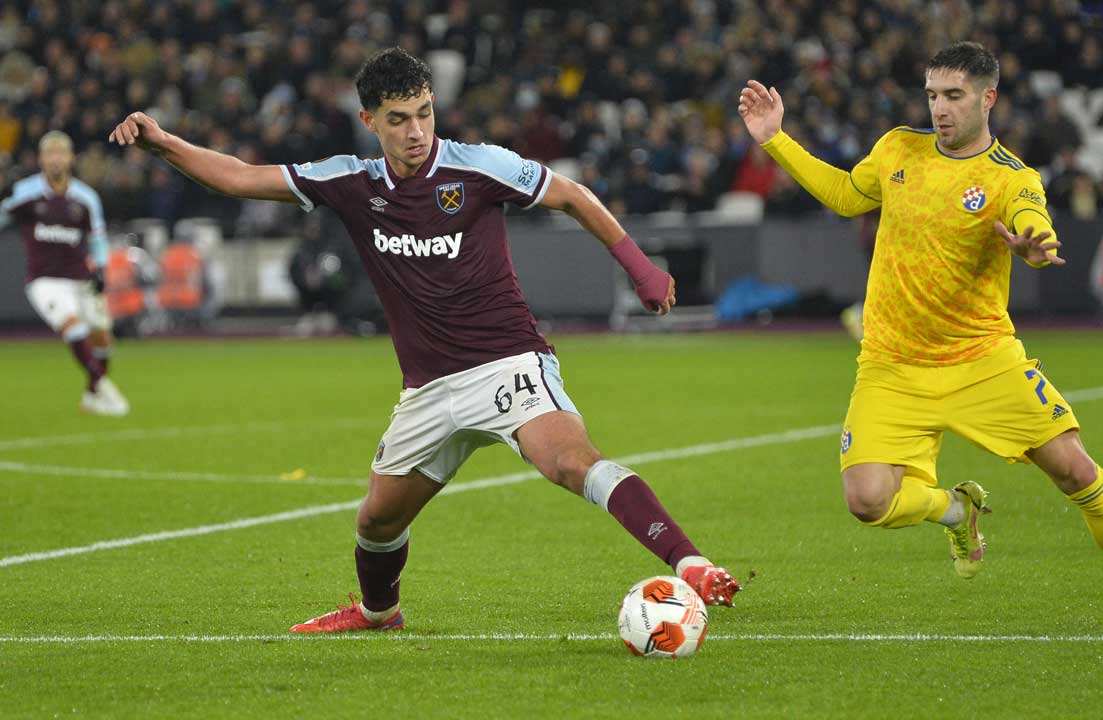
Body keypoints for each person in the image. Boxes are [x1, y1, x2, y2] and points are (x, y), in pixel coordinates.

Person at [109, 48, 740, 632]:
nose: (417, 131)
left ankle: (691, 565)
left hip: (506, 364)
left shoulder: (478, 165)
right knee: (376, 522)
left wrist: (640, 266)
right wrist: (163, 143)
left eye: (425, 113)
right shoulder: (350, 182)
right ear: (369, 121)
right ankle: (380, 615)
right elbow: (241, 177)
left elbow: (571, 196)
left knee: (570, 461)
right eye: (399, 119)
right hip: (428, 390)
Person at [737, 41, 1103, 630]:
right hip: (892, 363)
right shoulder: (899, 147)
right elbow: (848, 195)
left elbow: (1033, 220)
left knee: (1076, 470)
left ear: (988, 98)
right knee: (868, 501)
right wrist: (775, 138)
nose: (940, 109)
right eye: (932, 95)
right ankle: (957, 509)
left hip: (981, 360)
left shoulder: (1010, 176)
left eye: (953, 96)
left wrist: (1035, 244)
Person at [0, 131, 129, 416]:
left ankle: (92, 395)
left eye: (61, 153)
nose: (56, 159)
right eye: (50, 153)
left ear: (71, 159)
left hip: (81, 278)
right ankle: (104, 385)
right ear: (41, 159)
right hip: (44, 280)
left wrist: (101, 269)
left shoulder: (86, 198)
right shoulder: (25, 191)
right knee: (73, 325)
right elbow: (4, 216)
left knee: (103, 338)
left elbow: (97, 237)